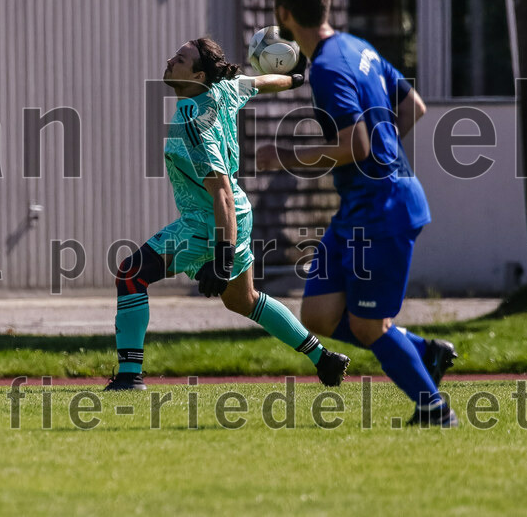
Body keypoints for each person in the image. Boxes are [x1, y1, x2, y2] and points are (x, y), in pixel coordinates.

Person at [256, 0, 458, 427]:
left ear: (283, 13)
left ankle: (434, 410)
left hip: (382, 211)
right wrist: (382, 156)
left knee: (368, 326)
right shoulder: (357, 47)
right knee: (319, 315)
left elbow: (356, 145)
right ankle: (424, 351)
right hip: (360, 208)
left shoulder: (327, 68)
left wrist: (283, 155)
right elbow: (414, 106)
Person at [106, 37, 351, 391]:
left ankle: (130, 377)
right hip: (237, 212)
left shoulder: (194, 119)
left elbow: (218, 190)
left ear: (200, 75)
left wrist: (221, 258)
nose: (170, 60)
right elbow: (263, 82)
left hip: (212, 221)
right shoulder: (224, 89)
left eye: (181, 58)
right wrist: (296, 77)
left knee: (131, 275)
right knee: (243, 299)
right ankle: (324, 359)